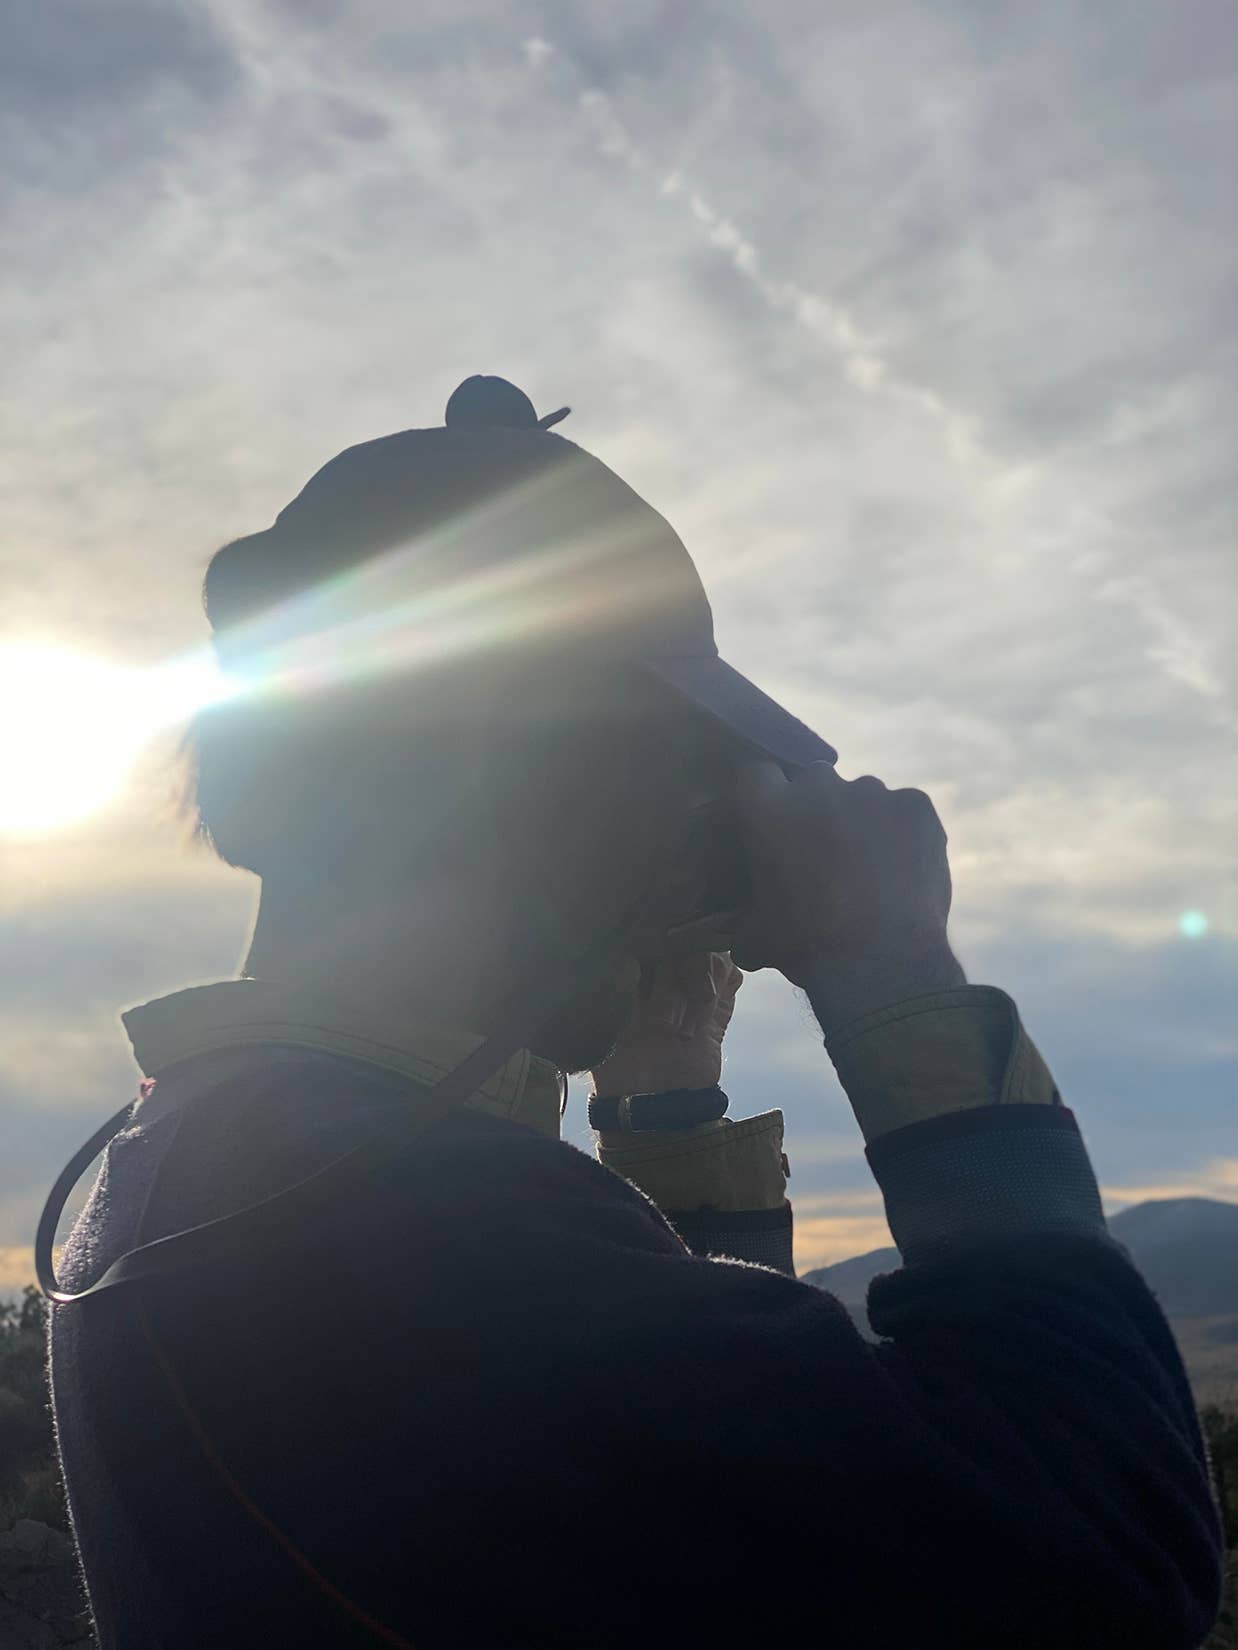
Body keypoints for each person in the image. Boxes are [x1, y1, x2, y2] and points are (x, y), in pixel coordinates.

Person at [47, 377, 1224, 1649]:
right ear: (528, 771)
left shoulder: (221, 1160)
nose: (690, 877)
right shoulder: (403, 1223)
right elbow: (1100, 1570)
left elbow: (700, 1507)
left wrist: (663, 1108)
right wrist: (896, 973)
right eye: (684, 781)